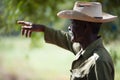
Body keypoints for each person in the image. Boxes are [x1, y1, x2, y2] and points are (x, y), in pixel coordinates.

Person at [17, 1, 117, 80]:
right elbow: (65, 38)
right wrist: (43, 28)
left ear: (85, 28)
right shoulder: (83, 48)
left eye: (73, 23)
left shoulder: (99, 61)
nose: (69, 28)